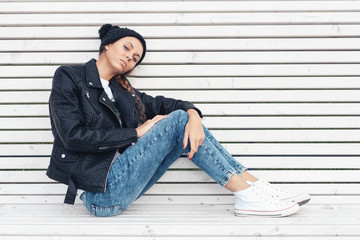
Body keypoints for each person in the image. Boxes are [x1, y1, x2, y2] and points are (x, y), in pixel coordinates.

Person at [46, 23, 310, 218]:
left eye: (135, 57)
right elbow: (72, 136)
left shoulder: (124, 92)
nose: (130, 57)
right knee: (176, 121)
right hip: (100, 195)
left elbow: (167, 104)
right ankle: (247, 193)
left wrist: (193, 115)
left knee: (182, 119)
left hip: (122, 186)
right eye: (127, 47)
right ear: (107, 44)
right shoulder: (70, 76)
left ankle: (254, 187)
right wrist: (136, 133)